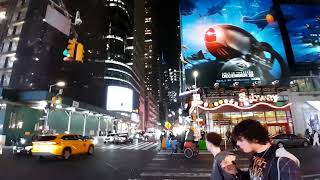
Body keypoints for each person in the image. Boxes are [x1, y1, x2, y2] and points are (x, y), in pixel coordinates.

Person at [225, 119, 301, 180]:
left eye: (240, 140)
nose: (237, 143)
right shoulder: (255, 156)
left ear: (255, 138)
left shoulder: (283, 161)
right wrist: (236, 172)